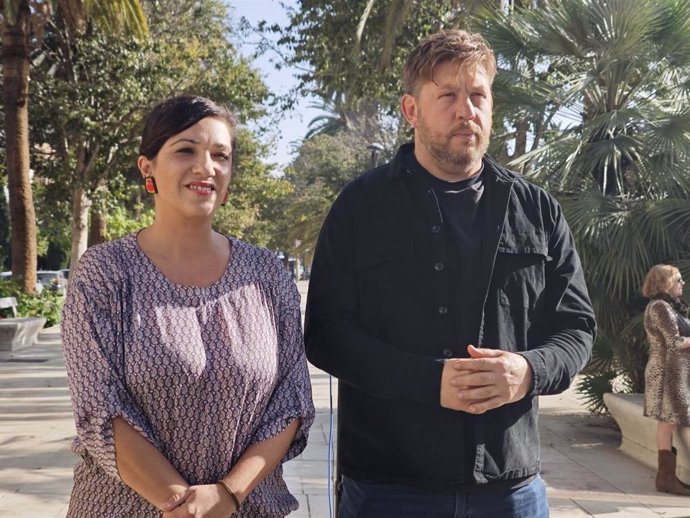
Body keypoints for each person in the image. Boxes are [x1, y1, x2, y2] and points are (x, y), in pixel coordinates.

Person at [305, 30, 596, 517]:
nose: (467, 110)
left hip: (510, 488)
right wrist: (428, 381)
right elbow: (326, 334)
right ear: (411, 110)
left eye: (478, 95)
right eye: (448, 96)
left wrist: (527, 371)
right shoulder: (360, 208)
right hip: (389, 486)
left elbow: (577, 328)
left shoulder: (537, 209)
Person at [61, 95, 315, 518]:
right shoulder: (104, 274)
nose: (206, 167)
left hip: (248, 508)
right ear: (148, 168)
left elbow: (291, 402)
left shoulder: (268, 275)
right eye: (185, 150)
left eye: (220, 155)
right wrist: (180, 505)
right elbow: (99, 408)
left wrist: (227, 495)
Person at [642, 264, 690, 496]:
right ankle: (666, 478)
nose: (682, 283)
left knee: (668, 422)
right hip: (666, 374)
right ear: (665, 283)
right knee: (668, 422)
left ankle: (666, 479)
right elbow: (674, 343)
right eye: (678, 279)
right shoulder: (660, 307)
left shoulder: (671, 307)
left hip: (675, 373)